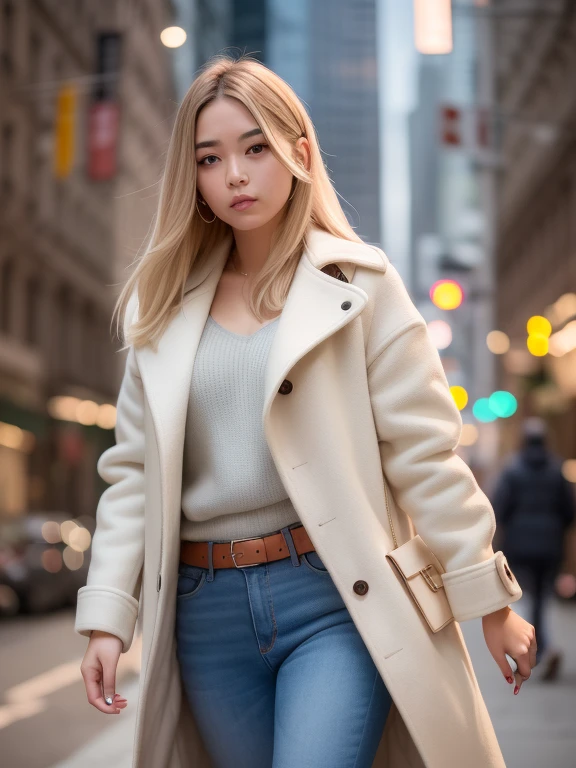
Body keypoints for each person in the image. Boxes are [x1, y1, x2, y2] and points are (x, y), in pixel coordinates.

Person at [75, 54, 536, 768]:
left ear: (299, 150)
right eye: (210, 158)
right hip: (205, 614)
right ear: (191, 178)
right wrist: (107, 616)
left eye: (254, 148)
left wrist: (492, 601)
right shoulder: (161, 309)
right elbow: (132, 474)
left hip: (335, 598)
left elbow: (423, 454)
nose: (234, 174)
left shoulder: (359, 287)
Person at [492, 417, 575, 680]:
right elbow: (570, 511)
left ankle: (533, 647)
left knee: (522, 595)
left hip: (519, 546)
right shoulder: (556, 469)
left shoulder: (512, 470)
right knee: (541, 597)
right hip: (550, 546)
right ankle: (539, 646)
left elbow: (499, 508)